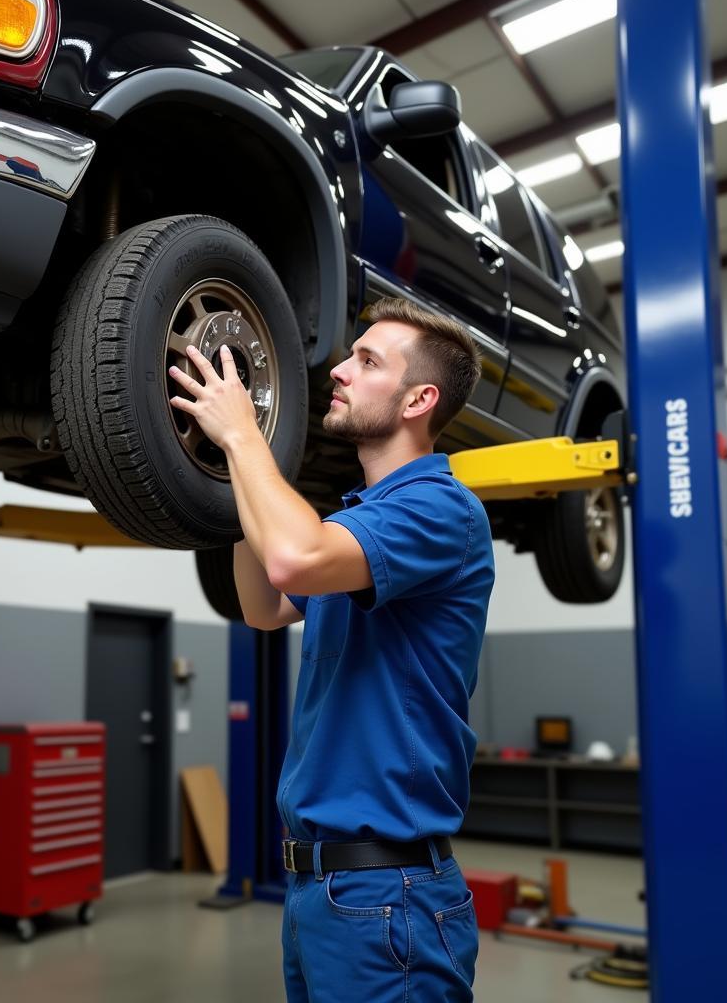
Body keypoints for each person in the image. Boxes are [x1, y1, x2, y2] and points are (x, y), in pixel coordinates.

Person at [169, 294, 495, 1002]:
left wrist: (243, 438)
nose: (339, 370)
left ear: (420, 400)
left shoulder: (440, 509)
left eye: (367, 360)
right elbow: (262, 606)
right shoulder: (361, 522)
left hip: (388, 897)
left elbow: (292, 560)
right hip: (323, 892)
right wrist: (234, 477)